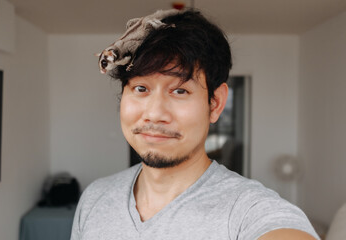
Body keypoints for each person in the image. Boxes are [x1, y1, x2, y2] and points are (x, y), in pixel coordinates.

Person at [71, 9, 320, 240]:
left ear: (215, 104)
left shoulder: (249, 210)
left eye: (180, 90)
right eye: (140, 88)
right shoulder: (95, 197)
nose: (155, 114)